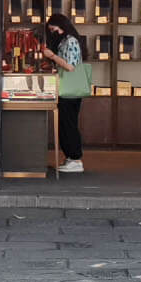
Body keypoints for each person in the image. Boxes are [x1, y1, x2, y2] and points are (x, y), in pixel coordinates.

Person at [40, 12, 87, 173]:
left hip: (70, 90)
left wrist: (52, 56)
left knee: (69, 124)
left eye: (55, 30)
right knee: (65, 124)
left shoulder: (71, 41)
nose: (54, 33)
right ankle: (70, 158)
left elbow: (70, 66)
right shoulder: (66, 40)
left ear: (62, 27)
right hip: (66, 88)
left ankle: (75, 159)